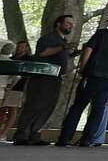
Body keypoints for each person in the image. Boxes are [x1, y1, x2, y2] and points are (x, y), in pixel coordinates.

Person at [56, 12, 108, 147]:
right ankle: (87, 139)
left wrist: (83, 67)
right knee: (98, 108)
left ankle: (64, 138)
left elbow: (88, 50)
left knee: (78, 106)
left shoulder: (101, 34)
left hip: (93, 74)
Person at [12, 13, 75, 145]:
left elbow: (62, 56)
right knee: (35, 105)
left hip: (55, 78)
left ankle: (34, 134)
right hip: (43, 77)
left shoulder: (63, 41)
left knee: (47, 107)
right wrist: (63, 47)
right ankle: (22, 135)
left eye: (72, 24)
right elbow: (42, 53)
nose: (71, 26)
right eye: (68, 23)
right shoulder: (49, 38)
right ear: (58, 24)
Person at [0, 39, 31, 139]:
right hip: (6, 88)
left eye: (22, 47)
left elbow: (20, 77)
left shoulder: (29, 59)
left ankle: (3, 133)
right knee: (2, 110)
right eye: (18, 46)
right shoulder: (11, 59)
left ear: (26, 48)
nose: (19, 48)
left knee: (13, 111)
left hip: (18, 88)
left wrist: (10, 86)